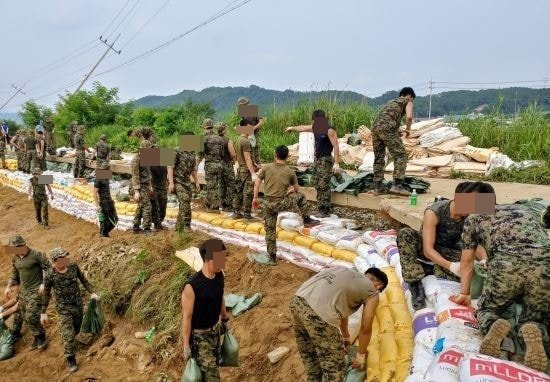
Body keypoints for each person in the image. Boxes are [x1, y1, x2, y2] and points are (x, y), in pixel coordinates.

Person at [451, 203, 550, 372]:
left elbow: (467, 261)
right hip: (545, 263)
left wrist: (464, 293)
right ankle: (535, 329)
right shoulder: (525, 210)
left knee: (486, 309)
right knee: (538, 316)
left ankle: (494, 324)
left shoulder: (473, 219)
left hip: (506, 264)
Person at [397, 181, 494, 310]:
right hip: (429, 250)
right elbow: (428, 250)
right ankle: (415, 284)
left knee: (472, 271)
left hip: (452, 252)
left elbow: (476, 245)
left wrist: (483, 259)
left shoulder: (472, 218)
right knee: (405, 234)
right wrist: (451, 266)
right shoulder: (434, 212)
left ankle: (432, 270)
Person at [290, 267, 388, 381]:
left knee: (312, 359)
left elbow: (341, 308)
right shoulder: (372, 291)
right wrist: (361, 356)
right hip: (319, 316)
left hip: (297, 302)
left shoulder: (342, 271)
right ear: (379, 286)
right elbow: (366, 327)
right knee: (335, 369)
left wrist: (346, 336)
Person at [253, 145, 319, 265]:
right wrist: (290, 191)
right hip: (282, 202)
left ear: (275, 154)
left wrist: (255, 198)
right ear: (288, 156)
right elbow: (297, 189)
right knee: (301, 196)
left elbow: (257, 182)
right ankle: (307, 219)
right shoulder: (290, 172)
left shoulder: (266, 167)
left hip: (268, 203)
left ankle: (272, 257)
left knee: (270, 230)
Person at [41, 247, 99, 373]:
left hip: (77, 305)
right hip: (63, 309)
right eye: (62, 257)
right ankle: (71, 358)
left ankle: (72, 342)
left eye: (66, 256)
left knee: (76, 329)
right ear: (55, 261)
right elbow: (46, 294)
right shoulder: (50, 275)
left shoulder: (73, 267)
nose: (66, 259)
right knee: (68, 334)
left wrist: (92, 292)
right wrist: (43, 312)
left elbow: (84, 280)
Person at [182, 239, 231, 381]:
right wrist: (186, 345)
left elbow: (220, 296)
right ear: (207, 259)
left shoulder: (219, 275)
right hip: (200, 338)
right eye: (219, 258)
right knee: (212, 376)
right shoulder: (192, 286)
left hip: (215, 332)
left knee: (210, 369)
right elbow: (187, 317)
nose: (222, 262)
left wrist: (225, 318)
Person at [285, 109, 341, 218]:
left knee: (323, 184)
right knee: (317, 183)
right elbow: (303, 128)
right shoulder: (317, 127)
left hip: (326, 159)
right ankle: (320, 207)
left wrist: (337, 163)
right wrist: (292, 128)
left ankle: (325, 209)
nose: (313, 123)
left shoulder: (329, 130)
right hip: (318, 159)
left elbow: (336, 146)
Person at [4, 235, 50, 350]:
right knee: (25, 316)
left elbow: (49, 269)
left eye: (17, 247)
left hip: (36, 291)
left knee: (31, 315)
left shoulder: (36, 255)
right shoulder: (15, 258)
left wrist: (44, 283)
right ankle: (36, 336)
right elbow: (14, 274)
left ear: (23, 245)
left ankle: (41, 337)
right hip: (24, 292)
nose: (15, 250)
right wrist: (9, 286)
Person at [371, 87, 416, 196]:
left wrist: (397, 131)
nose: (412, 101)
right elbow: (409, 117)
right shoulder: (408, 101)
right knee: (401, 155)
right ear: (409, 95)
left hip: (375, 129)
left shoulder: (391, 102)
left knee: (379, 157)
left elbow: (386, 119)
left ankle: (378, 187)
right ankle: (398, 185)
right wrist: (408, 130)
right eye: (412, 99)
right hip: (387, 129)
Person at [168, 133, 200, 232]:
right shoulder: (176, 151)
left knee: (185, 203)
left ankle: (179, 227)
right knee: (185, 200)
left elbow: (193, 170)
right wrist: (171, 183)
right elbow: (170, 167)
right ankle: (187, 225)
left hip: (187, 182)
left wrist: (197, 182)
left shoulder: (192, 153)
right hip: (178, 181)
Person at [196, 118, 224, 213]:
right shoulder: (220, 138)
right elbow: (222, 153)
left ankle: (215, 208)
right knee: (216, 185)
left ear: (204, 127)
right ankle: (208, 203)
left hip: (210, 165)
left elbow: (199, 155)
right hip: (219, 164)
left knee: (211, 186)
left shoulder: (203, 138)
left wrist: (195, 166)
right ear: (212, 126)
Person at [232, 124, 258, 220]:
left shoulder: (238, 140)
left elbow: (240, 157)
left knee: (238, 191)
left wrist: (255, 164)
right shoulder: (246, 141)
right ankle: (247, 215)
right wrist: (253, 173)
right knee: (248, 192)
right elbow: (247, 158)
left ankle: (236, 212)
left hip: (240, 169)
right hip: (246, 170)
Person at [131, 139, 154, 234]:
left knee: (141, 206)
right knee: (147, 206)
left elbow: (148, 173)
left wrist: (150, 185)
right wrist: (136, 191)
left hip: (145, 185)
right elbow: (135, 175)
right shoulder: (136, 160)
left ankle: (136, 226)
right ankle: (147, 229)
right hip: (138, 186)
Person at [237, 96, 264, 170]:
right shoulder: (241, 111)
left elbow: (262, 122)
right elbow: (243, 122)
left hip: (254, 133)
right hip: (246, 134)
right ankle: (250, 167)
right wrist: (240, 128)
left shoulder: (256, 109)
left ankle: (258, 168)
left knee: (256, 150)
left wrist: (253, 128)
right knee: (247, 151)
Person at [93, 162, 118, 237]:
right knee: (105, 220)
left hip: (109, 201)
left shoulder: (106, 177)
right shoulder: (98, 179)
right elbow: (94, 193)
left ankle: (104, 233)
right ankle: (103, 235)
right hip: (104, 203)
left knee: (115, 219)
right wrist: (97, 206)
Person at [217, 122, 236, 212]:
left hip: (218, 164)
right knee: (231, 184)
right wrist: (234, 160)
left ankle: (222, 203)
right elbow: (232, 153)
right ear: (224, 130)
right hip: (226, 164)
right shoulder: (228, 140)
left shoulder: (215, 140)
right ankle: (228, 205)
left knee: (221, 184)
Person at [150, 144, 168, 230]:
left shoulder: (164, 159)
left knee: (163, 206)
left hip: (163, 187)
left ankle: (159, 221)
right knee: (154, 207)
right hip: (154, 187)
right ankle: (156, 224)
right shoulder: (149, 162)